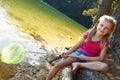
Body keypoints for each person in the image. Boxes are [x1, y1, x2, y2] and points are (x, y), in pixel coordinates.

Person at [46, 15, 116, 80]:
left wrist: (85, 58)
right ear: (97, 24)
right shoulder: (88, 34)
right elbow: (77, 45)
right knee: (58, 65)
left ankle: (79, 64)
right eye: (101, 25)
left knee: (105, 67)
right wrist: (68, 52)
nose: (102, 28)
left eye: (106, 28)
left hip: (91, 60)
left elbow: (100, 59)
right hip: (78, 54)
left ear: (109, 31)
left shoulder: (105, 43)